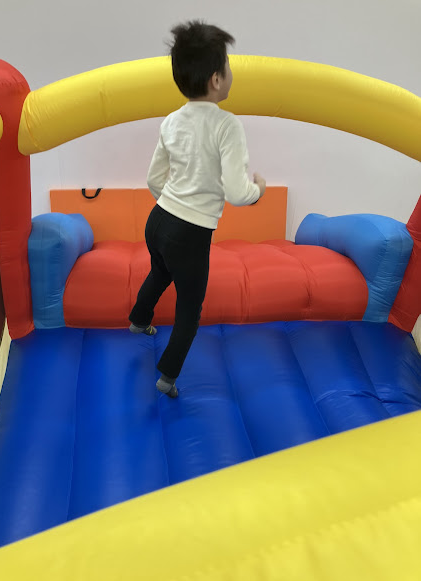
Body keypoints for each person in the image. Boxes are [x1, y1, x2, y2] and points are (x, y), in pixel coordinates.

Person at [129, 20, 266, 398]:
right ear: (217, 79)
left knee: (160, 272)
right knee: (190, 308)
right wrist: (258, 191)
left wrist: (174, 202)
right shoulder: (227, 125)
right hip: (188, 233)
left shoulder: (172, 120)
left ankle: (138, 320)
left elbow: (154, 178)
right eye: (228, 66)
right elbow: (236, 192)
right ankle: (168, 377)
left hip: (158, 220)